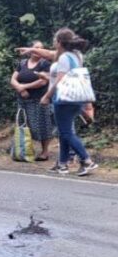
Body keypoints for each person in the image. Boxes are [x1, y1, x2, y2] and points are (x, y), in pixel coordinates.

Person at [40, 28, 98, 176]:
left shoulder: (64, 58)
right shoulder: (77, 55)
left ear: (59, 42)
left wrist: (47, 96)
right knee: (63, 132)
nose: (53, 42)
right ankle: (63, 163)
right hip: (76, 98)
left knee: (66, 132)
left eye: (54, 40)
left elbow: (60, 81)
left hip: (63, 99)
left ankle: (87, 160)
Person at [10, 40, 52, 161]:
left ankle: (45, 152)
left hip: (39, 99)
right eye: (36, 48)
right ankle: (25, 149)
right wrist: (19, 88)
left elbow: (43, 81)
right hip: (23, 100)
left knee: (42, 125)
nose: (38, 51)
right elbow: (13, 79)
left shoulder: (45, 63)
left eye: (41, 48)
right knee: (23, 124)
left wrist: (25, 86)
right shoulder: (22, 63)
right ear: (31, 49)